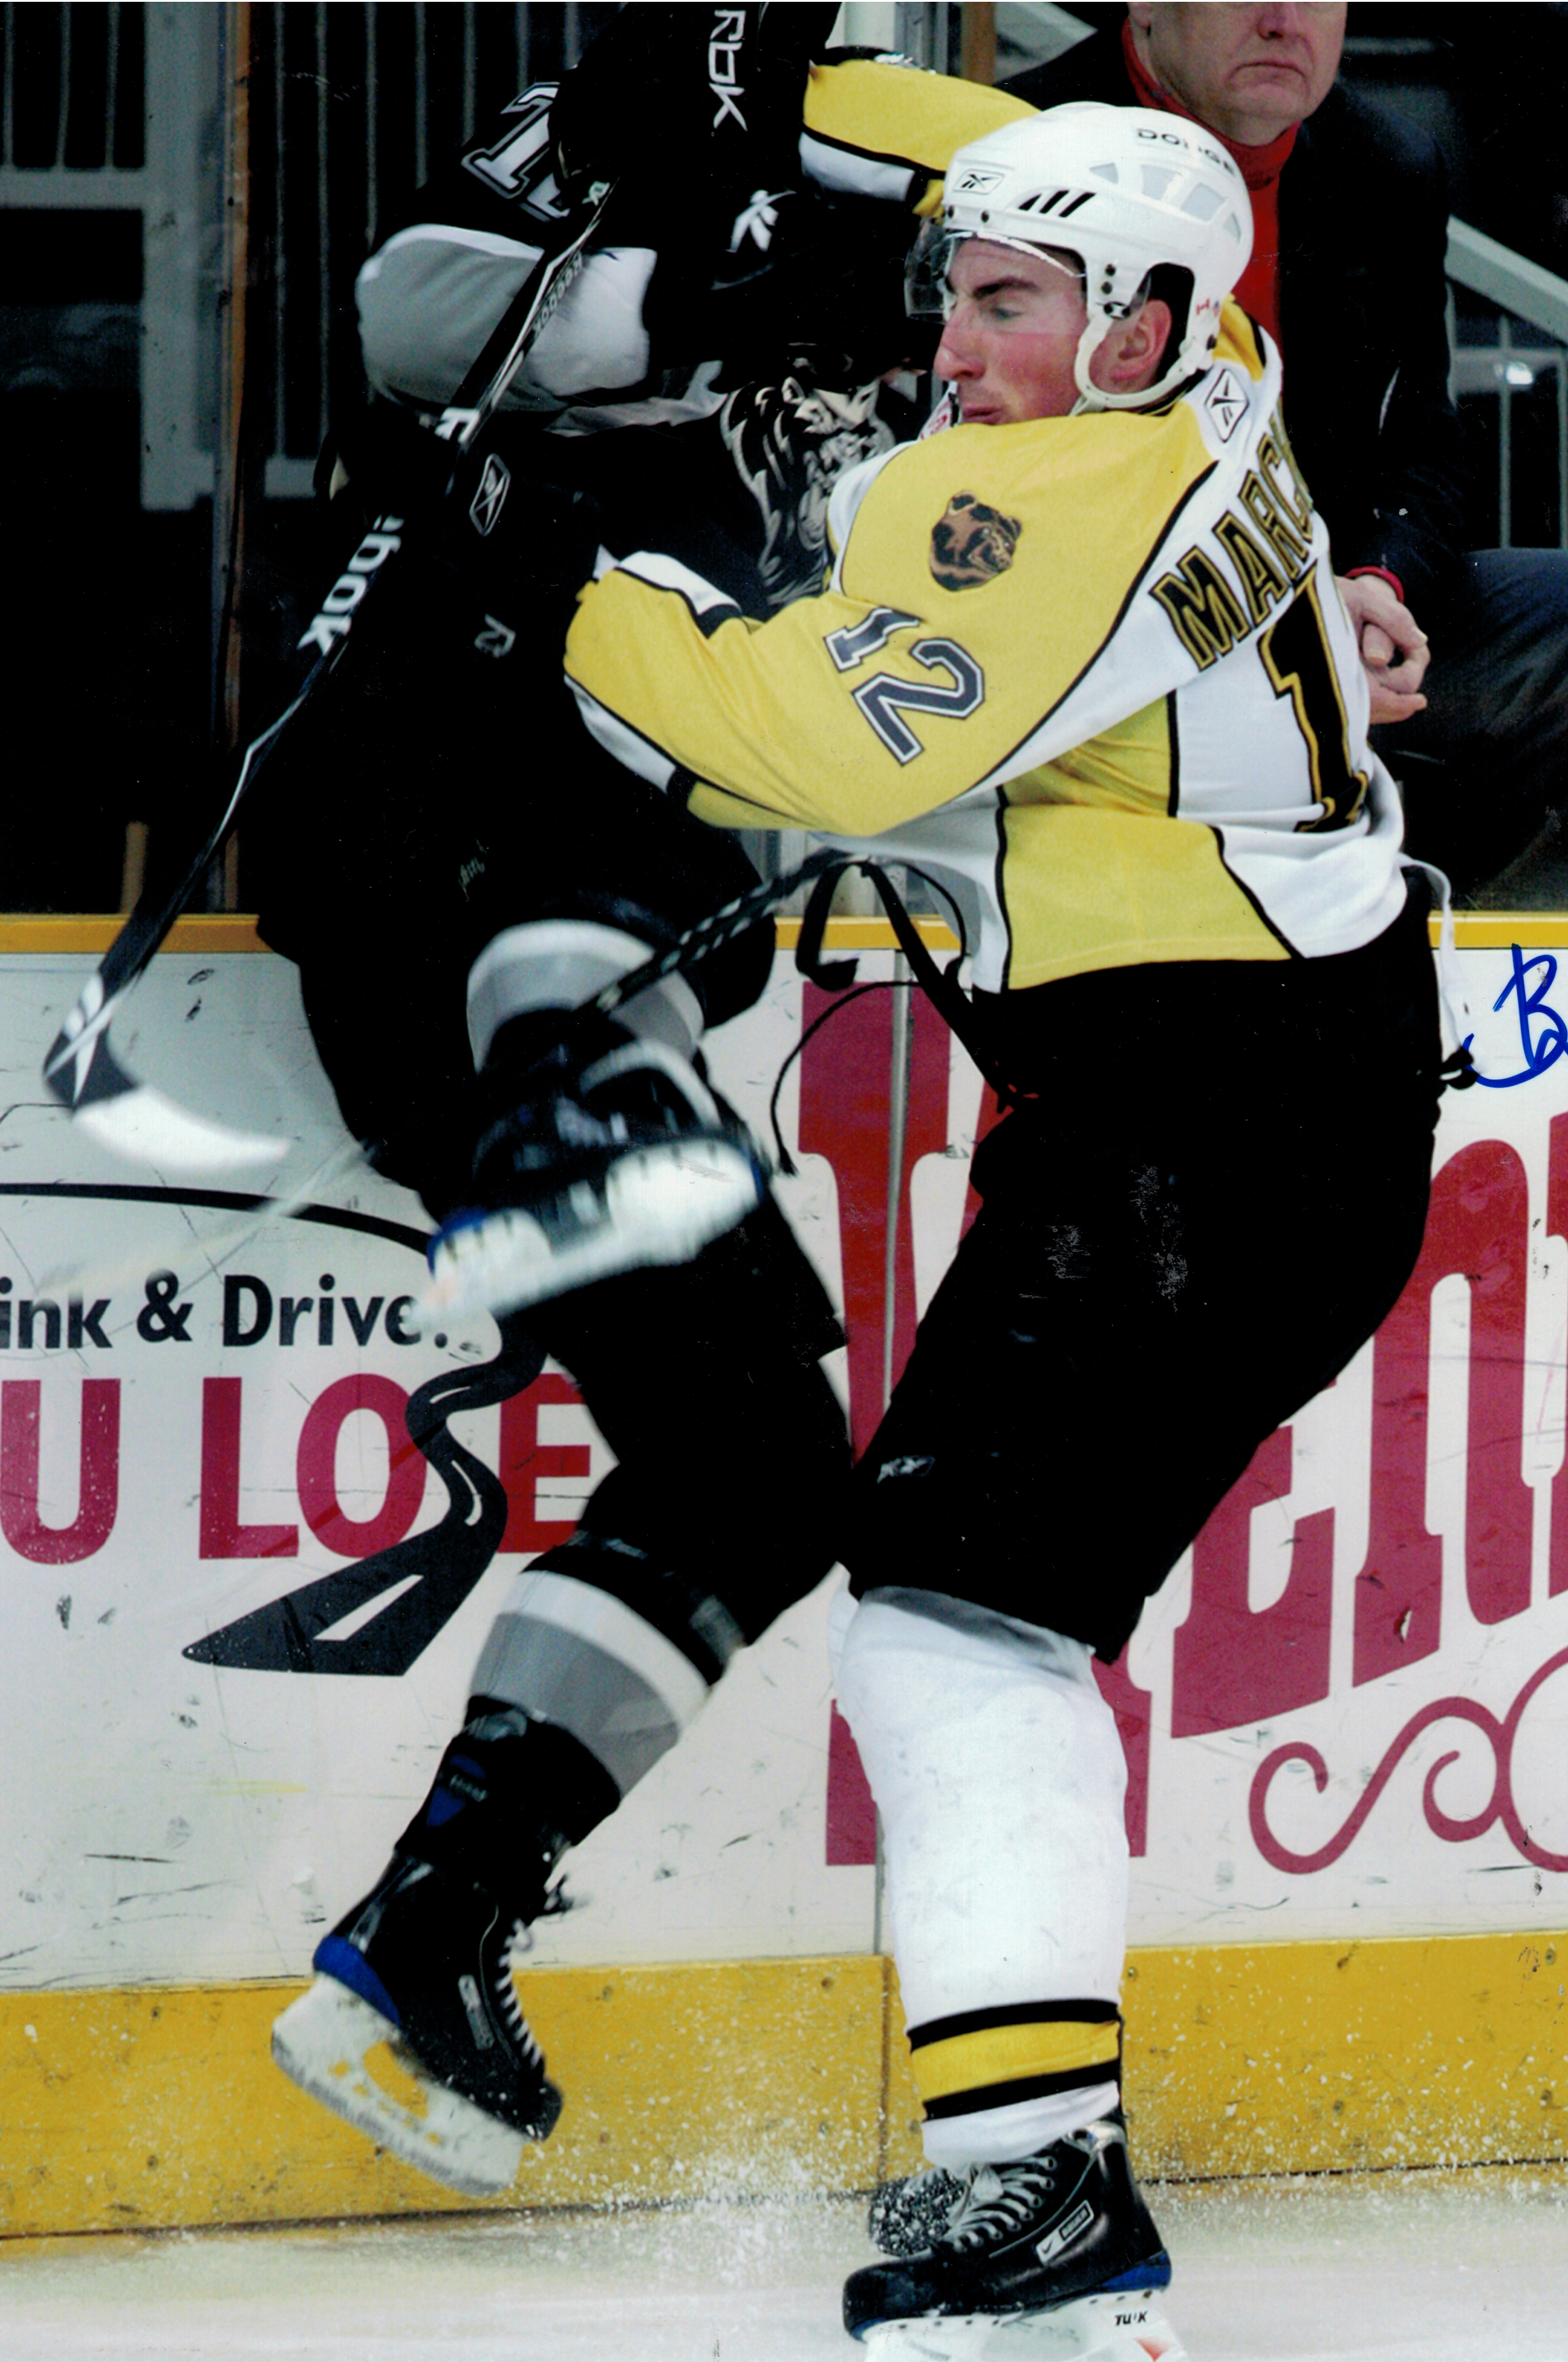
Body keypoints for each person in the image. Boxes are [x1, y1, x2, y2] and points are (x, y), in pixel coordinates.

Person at [276, 97, 1453, 2358]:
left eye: (1012, 306)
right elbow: (992, 175)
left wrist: (558, 583)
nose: (960, 343)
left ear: (1138, 323)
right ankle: (1031, 2195)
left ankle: (1040, 2197)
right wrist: (755, 82)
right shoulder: (1207, 369)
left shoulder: (1062, 480)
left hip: (1212, 1111)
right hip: (1240, 1082)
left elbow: (815, 750)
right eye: (958, 293)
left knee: (949, 1625)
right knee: (940, 1601)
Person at [1004, 2, 1568, 907]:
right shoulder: (1021, 141)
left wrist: (1373, 587)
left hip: (1306, 613)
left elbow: (1423, 449)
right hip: (1092, 636)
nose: (1283, 21)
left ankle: (1442, 964)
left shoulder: (1383, 163)